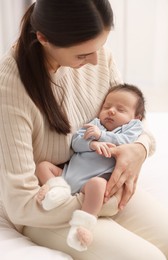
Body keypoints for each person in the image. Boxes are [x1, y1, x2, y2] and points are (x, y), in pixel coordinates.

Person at [0, 0, 168, 259]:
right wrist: (102, 202)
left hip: (102, 181)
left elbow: (134, 120)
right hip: (48, 207)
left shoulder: (97, 54)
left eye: (99, 47)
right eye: (82, 55)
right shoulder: (10, 88)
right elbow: (21, 204)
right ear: (43, 38)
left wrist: (139, 148)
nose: (95, 60)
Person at [35, 83, 145, 251]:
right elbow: (76, 143)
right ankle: (57, 188)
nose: (111, 111)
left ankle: (83, 224)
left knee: (98, 185)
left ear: (136, 118)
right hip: (67, 174)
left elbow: (127, 143)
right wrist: (92, 144)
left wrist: (102, 136)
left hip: (90, 182)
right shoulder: (95, 124)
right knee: (43, 167)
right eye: (107, 106)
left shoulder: (131, 129)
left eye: (120, 110)